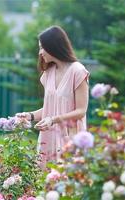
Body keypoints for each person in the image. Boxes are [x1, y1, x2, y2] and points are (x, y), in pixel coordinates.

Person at [16, 26, 90, 169]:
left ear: (53, 46)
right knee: (45, 185)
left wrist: (53, 119)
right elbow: (50, 107)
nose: (40, 52)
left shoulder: (78, 71)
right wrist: (30, 116)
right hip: (49, 138)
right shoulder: (48, 73)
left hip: (70, 137)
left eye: (42, 47)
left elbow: (81, 111)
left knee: (69, 185)